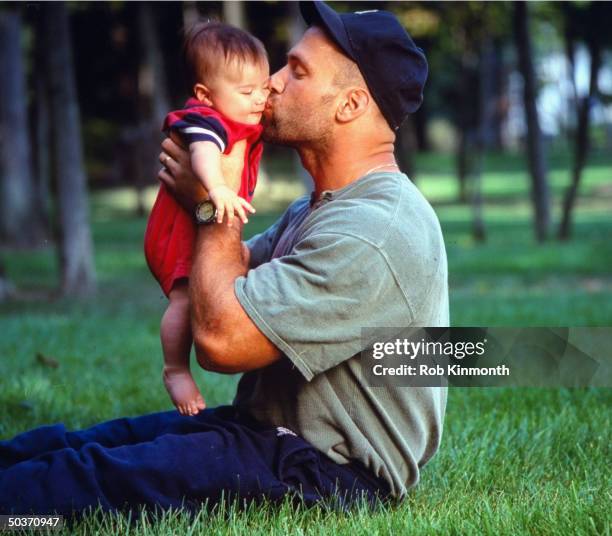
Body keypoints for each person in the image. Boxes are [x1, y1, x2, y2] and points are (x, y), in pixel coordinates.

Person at [0, 1, 448, 516]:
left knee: (86, 480)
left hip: (326, 472)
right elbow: (223, 279)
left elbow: (221, 339)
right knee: (83, 444)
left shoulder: (373, 228)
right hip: (267, 436)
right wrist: (202, 182)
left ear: (349, 105)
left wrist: (213, 205)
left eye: (297, 71)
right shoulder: (323, 208)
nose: (273, 82)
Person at [144, 22, 269, 416]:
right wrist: (215, 190)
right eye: (247, 92)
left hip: (195, 220)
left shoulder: (237, 116)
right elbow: (203, 154)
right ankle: (175, 368)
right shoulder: (206, 119)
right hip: (176, 230)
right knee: (183, 299)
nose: (260, 98)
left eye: (264, 87)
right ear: (205, 94)